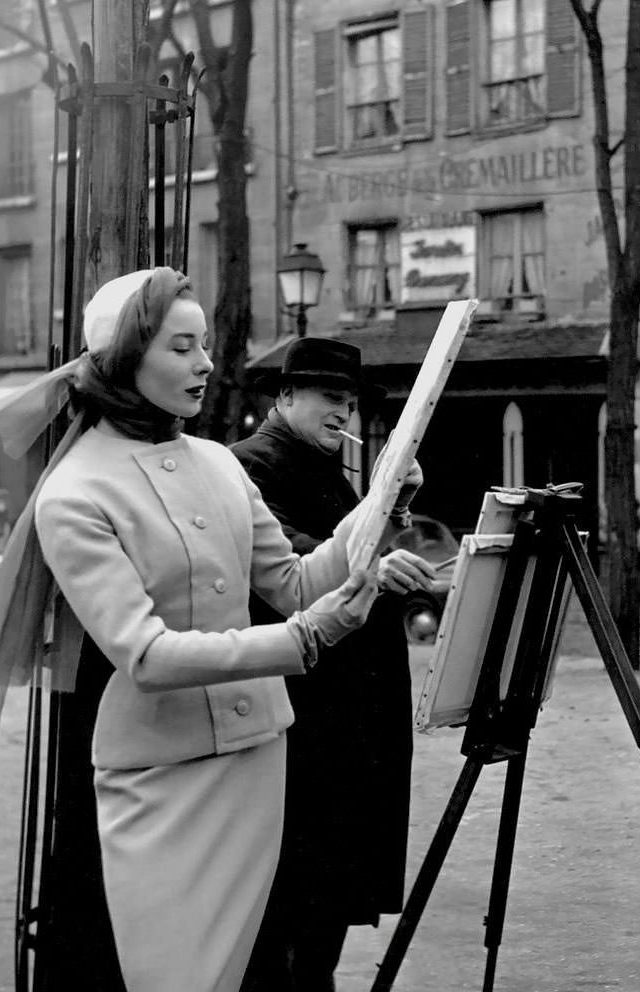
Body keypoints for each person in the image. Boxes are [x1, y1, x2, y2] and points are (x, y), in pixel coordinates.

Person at [0, 267, 424, 992]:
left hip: (257, 760)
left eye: (205, 344)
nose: (206, 363)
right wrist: (305, 640)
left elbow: (296, 580)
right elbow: (143, 654)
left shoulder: (217, 463)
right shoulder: (76, 492)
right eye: (182, 347)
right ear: (126, 357)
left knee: (260, 969)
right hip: (158, 775)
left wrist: (382, 505)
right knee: (173, 973)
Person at [231, 338, 439, 992]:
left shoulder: (316, 465)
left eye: (349, 403)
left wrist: (393, 508)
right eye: (330, 399)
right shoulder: (255, 465)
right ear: (285, 396)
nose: (343, 414)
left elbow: (353, 549)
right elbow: (294, 565)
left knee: (325, 898)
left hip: (340, 722)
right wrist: (376, 562)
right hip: (306, 721)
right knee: (295, 901)